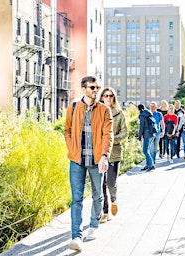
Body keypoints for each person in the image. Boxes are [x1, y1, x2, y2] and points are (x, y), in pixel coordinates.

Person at [64, 76, 113, 251]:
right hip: (76, 160)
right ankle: (76, 236)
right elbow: (67, 130)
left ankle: (94, 225)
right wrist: (72, 149)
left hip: (96, 160)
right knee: (76, 198)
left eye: (97, 87)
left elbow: (108, 134)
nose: (96, 90)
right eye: (92, 87)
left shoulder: (104, 110)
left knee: (98, 195)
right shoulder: (74, 107)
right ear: (84, 89)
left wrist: (104, 156)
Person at [96, 87, 128, 224]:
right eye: (105, 95)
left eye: (111, 96)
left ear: (114, 98)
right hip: (99, 154)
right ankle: (105, 212)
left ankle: (114, 199)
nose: (108, 98)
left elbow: (125, 133)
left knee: (111, 183)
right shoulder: (96, 113)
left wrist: (110, 139)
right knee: (101, 185)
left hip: (114, 154)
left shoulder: (119, 114)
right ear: (101, 97)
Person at [137, 104, 155, 171]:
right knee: (148, 150)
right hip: (152, 133)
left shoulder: (142, 116)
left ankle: (151, 164)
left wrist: (139, 136)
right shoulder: (148, 114)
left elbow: (141, 127)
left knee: (145, 151)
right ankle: (148, 165)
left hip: (147, 134)